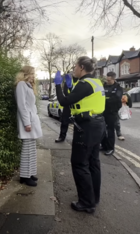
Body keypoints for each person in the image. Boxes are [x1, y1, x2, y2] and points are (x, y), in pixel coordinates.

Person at [54, 56, 106, 213]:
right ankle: (93, 197)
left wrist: (59, 85)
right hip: (97, 125)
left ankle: (86, 203)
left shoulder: (84, 84)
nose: (73, 69)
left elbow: (64, 102)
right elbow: (77, 100)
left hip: (86, 127)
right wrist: (70, 87)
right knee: (93, 162)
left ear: (82, 67)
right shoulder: (96, 82)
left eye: (75, 66)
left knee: (79, 163)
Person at [15, 66, 43, 187]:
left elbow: (31, 105)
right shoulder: (21, 85)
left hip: (32, 120)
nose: (33, 76)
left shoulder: (28, 85)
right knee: (27, 149)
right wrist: (27, 123)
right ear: (26, 74)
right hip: (27, 122)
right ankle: (24, 176)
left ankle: (29, 173)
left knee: (31, 149)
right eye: (32, 73)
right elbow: (22, 105)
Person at [101, 72, 123, 156]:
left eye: (109, 80)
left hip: (112, 112)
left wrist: (106, 99)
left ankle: (110, 148)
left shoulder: (118, 88)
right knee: (102, 130)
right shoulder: (103, 86)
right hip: (102, 111)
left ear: (113, 79)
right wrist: (108, 98)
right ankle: (104, 145)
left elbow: (117, 98)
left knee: (110, 131)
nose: (107, 81)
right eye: (107, 79)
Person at [55, 73, 78, 143]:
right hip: (68, 104)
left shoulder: (81, 82)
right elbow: (65, 92)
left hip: (77, 105)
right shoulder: (69, 81)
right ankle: (62, 136)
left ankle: (77, 139)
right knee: (64, 121)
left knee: (78, 123)